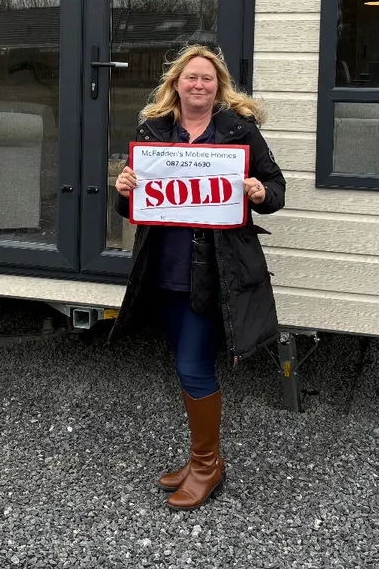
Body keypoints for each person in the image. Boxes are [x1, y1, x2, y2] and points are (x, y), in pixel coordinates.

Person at [109, 44, 286, 511]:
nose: (199, 85)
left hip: (216, 270)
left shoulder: (239, 131)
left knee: (193, 365)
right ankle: (201, 459)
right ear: (176, 84)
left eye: (208, 78)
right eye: (191, 78)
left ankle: (207, 465)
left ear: (218, 86)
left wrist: (258, 190)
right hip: (163, 267)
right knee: (186, 365)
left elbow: (276, 190)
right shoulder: (154, 130)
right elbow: (133, 205)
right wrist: (124, 191)